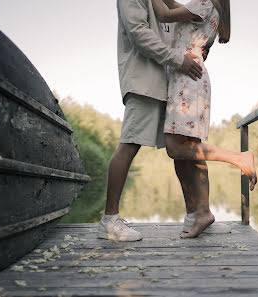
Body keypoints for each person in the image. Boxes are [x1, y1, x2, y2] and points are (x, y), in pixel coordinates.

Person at [97, 0, 206, 241]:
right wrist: (178, 59)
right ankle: (109, 221)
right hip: (143, 82)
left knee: (180, 150)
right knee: (129, 144)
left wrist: (192, 50)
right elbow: (138, 33)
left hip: (169, 84)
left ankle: (193, 216)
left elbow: (179, 24)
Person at [151, 0, 258, 238]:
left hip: (188, 81)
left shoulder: (205, 3)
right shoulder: (210, 5)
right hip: (186, 78)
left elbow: (163, 15)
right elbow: (174, 7)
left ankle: (239, 158)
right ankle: (202, 213)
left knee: (175, 148)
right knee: (189, 152)